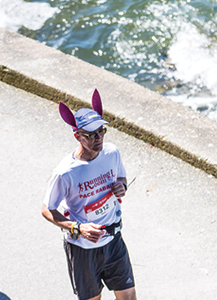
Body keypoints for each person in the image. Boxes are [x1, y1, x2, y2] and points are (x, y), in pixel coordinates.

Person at [41, 89, 137, 300]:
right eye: (91, 134)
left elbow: (121, 179)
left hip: (113, 240)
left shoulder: (111, 153)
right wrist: (78, 227)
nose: (98, 138)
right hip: (83, 249)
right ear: (77, 136)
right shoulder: (66, 172)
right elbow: (47, 209)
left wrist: (122, 187)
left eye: (101, 131)